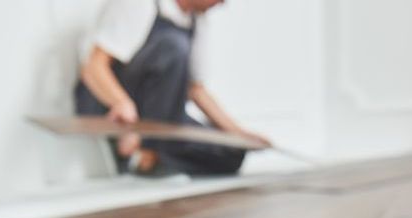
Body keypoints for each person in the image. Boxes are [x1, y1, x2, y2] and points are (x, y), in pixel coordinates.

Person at [76, 0, 270, 176]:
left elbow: (196, 89)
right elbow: (94, 67)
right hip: (108, 105)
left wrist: (239, 134)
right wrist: (121, 103)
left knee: (230, 153)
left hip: (163, 116)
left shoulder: (196, 22)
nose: (222, 3)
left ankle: (149, 155)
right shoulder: (140, 4)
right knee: (173, 47)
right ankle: (148, 152)